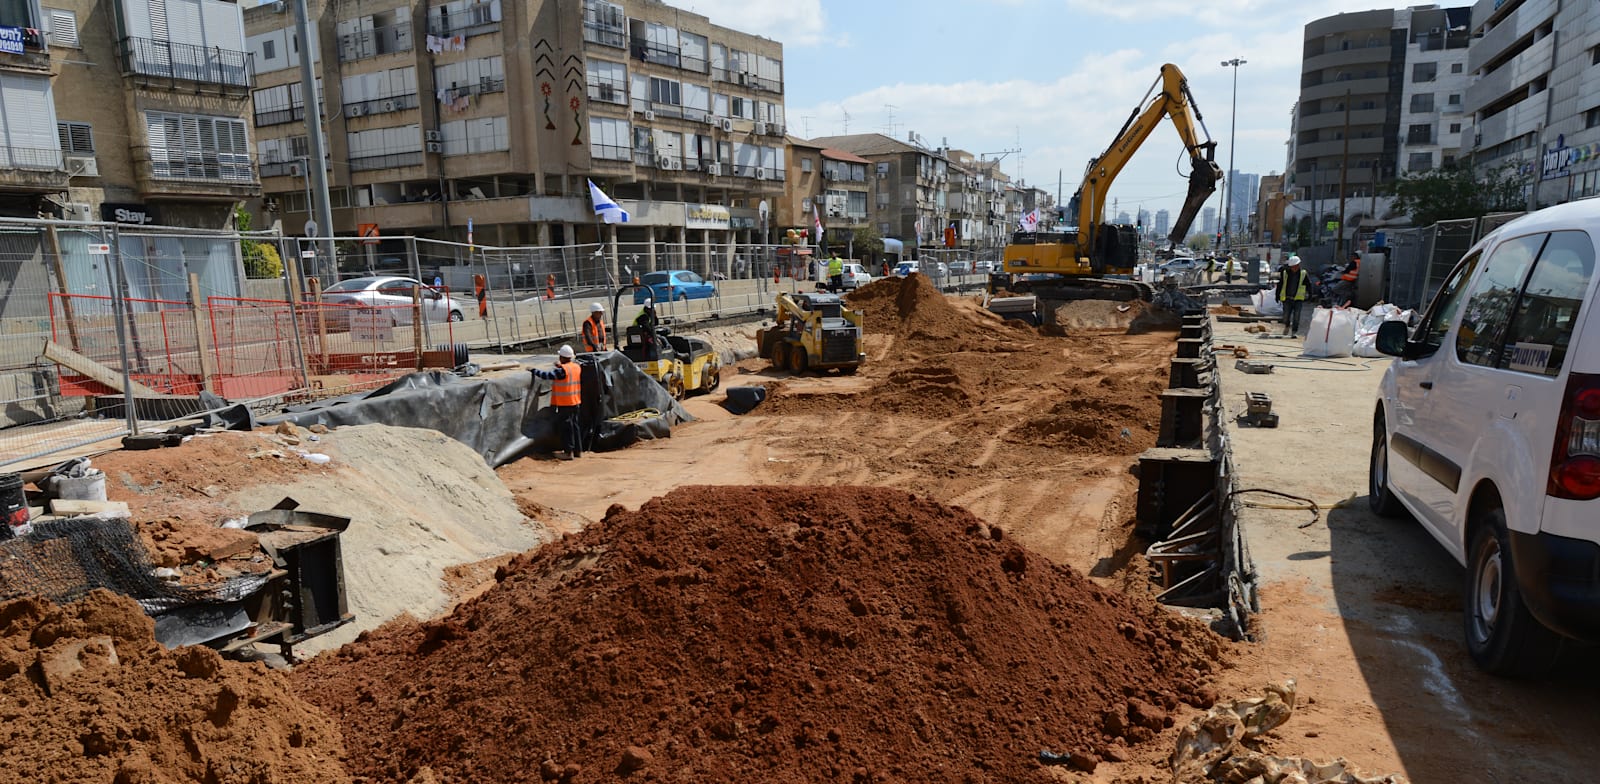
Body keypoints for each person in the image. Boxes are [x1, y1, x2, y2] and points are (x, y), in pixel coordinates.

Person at [530, 345, 585, 460]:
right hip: (575, 402)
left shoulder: (562, 371)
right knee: (575, 427)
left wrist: (533, 370)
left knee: (566, 428)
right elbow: (567, 371)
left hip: (566, 404)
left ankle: (568, 452)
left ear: (563, 357)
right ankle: (578, 451)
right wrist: (560, 366)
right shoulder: (576, 367)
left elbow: (547, 375)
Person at [1277, 255, 1310, 336]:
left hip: (1298, 299)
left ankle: (1294, 332)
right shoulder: (1285, 273)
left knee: (1296, 316)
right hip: (1287, 298)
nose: (1294, 268)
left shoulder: (1303, 273)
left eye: (1295, 266)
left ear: (1298, 265)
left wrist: (1310, 295)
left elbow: (1309, 284)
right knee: (1286, 316)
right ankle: (1287, 326)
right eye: (1292, 267)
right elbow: (1280, 284)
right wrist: (1277, 295)